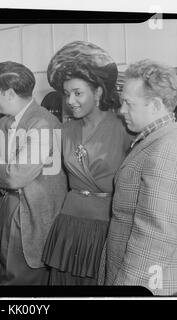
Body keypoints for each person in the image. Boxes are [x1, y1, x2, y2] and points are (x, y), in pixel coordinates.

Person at [42, 41, 133, 285]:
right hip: (68, 224)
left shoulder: (124, 128)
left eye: (78, 93)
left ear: (99, 92)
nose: (70, 100)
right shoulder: (66, 129)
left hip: (106, 226)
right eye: (67, 93)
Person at [0, 61, 67, 285]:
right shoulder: (4, 122)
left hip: (29, 215)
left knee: (19, 284)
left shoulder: (43, 123)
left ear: (9, 93)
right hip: (6, 207)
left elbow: (14, 176)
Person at [100, 60, 177, 295]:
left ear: (155, 105)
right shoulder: (154, 140)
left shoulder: (165, 149)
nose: (121, 110)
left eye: (128, 103)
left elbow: (155, 237)